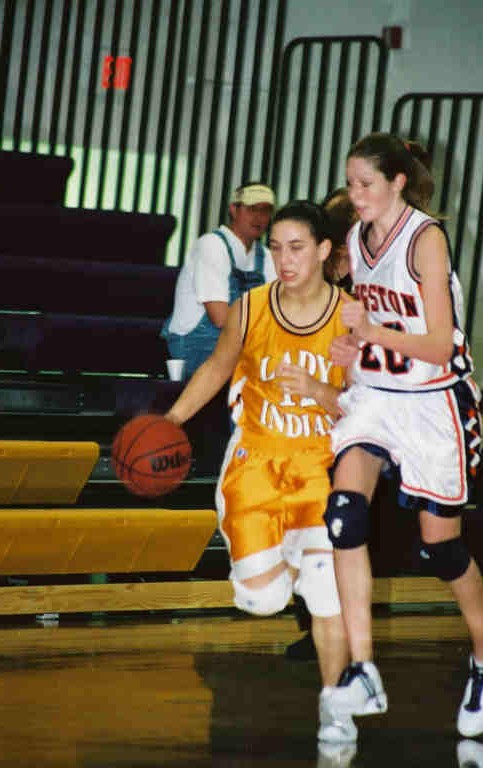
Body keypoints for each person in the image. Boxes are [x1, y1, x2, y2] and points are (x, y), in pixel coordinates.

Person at [321, 132, 483, 740]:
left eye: (365, 184)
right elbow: (373, 332)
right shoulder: (356, 237)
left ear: (398, 181)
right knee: (344, 517)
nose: (355, 196)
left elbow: (434, 344)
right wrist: (352, 345)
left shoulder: (426, 238)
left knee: (441, 551)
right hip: (378, 399)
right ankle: (362, 668)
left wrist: (371, 330)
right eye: (350, 184)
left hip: (434, 404)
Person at [165, 200, 357, 744]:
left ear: (324, 251)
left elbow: (368, 405)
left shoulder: (352, 315)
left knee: (327, 596)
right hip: (256, 466)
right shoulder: (250, 306)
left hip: (321, 469)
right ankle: (294, 570)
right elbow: (218, 366)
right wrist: (171, 421)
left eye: (297, 247)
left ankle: (335, 707)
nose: (284, 259)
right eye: (275, 248)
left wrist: (322, 392)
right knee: (262, 601)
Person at [285, 187, 357, 663]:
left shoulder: (356, 301)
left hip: (343, 427)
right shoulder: (306, 292)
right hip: (299, 427)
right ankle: (314, 624)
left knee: (332, 533)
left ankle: (331, 628)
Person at [161, 182, 277, 378]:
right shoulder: (211, 245)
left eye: (265, 211)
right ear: (233, 209)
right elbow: (220, 317)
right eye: (251, 209)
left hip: (240, 346)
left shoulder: (266, 256)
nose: (259, 217)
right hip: (195, 350)